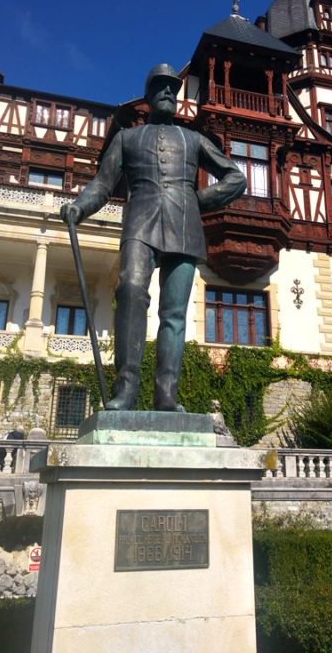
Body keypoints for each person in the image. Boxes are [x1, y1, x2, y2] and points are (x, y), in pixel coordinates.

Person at [61, 64, 246, 412]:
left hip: (184, 228)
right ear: (148, 96)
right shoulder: (126, 139)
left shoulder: (194, 140)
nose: (168, 93)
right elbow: (102, 185)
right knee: (130, 289)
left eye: (172, 89)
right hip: (140, 223)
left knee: (174, 313)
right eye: (160, 87)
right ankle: (126, 390)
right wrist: (79, 208)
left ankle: (166, 396)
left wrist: (196, 201)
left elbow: (236, 178)